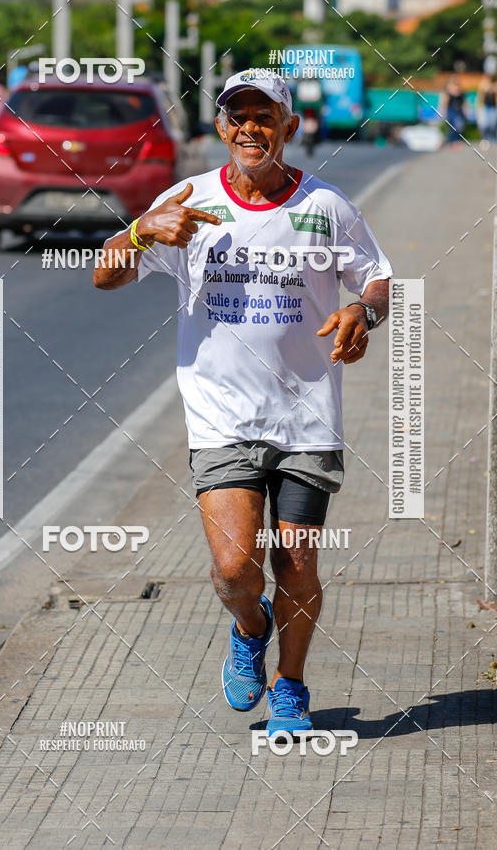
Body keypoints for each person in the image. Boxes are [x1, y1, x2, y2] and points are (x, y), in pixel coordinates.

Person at [93, 69, 392, 738]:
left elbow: (377, 280)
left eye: (265, 116)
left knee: (296, 561)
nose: (250, 128)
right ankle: (249, 625)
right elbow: (104, 273)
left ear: (289, 126)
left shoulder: (326, 207)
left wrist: (361, 317)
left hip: (308, 415)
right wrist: (142, 230)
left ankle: (290, 685)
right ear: (222, 126)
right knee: (234, 568)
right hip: (221, 415)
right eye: (238, 116)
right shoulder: (191, 200)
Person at [441, 75, 468, 145]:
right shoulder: (448, 92)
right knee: (452, 126)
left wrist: (466, 111)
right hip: (451, 110)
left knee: (459, 126)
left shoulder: (461, 92)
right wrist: (444, 112)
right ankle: (452, 141)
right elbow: (445, 103)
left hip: (459, 111)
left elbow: (465, 102)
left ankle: (456, 140)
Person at [476, 75, 497, 147]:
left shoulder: (494, 85)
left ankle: (492, 139)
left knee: (492, 124)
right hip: (485, 107)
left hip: (493, 107)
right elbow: (480, 96)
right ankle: (484, 139)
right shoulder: (482, 85)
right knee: (485, 125)